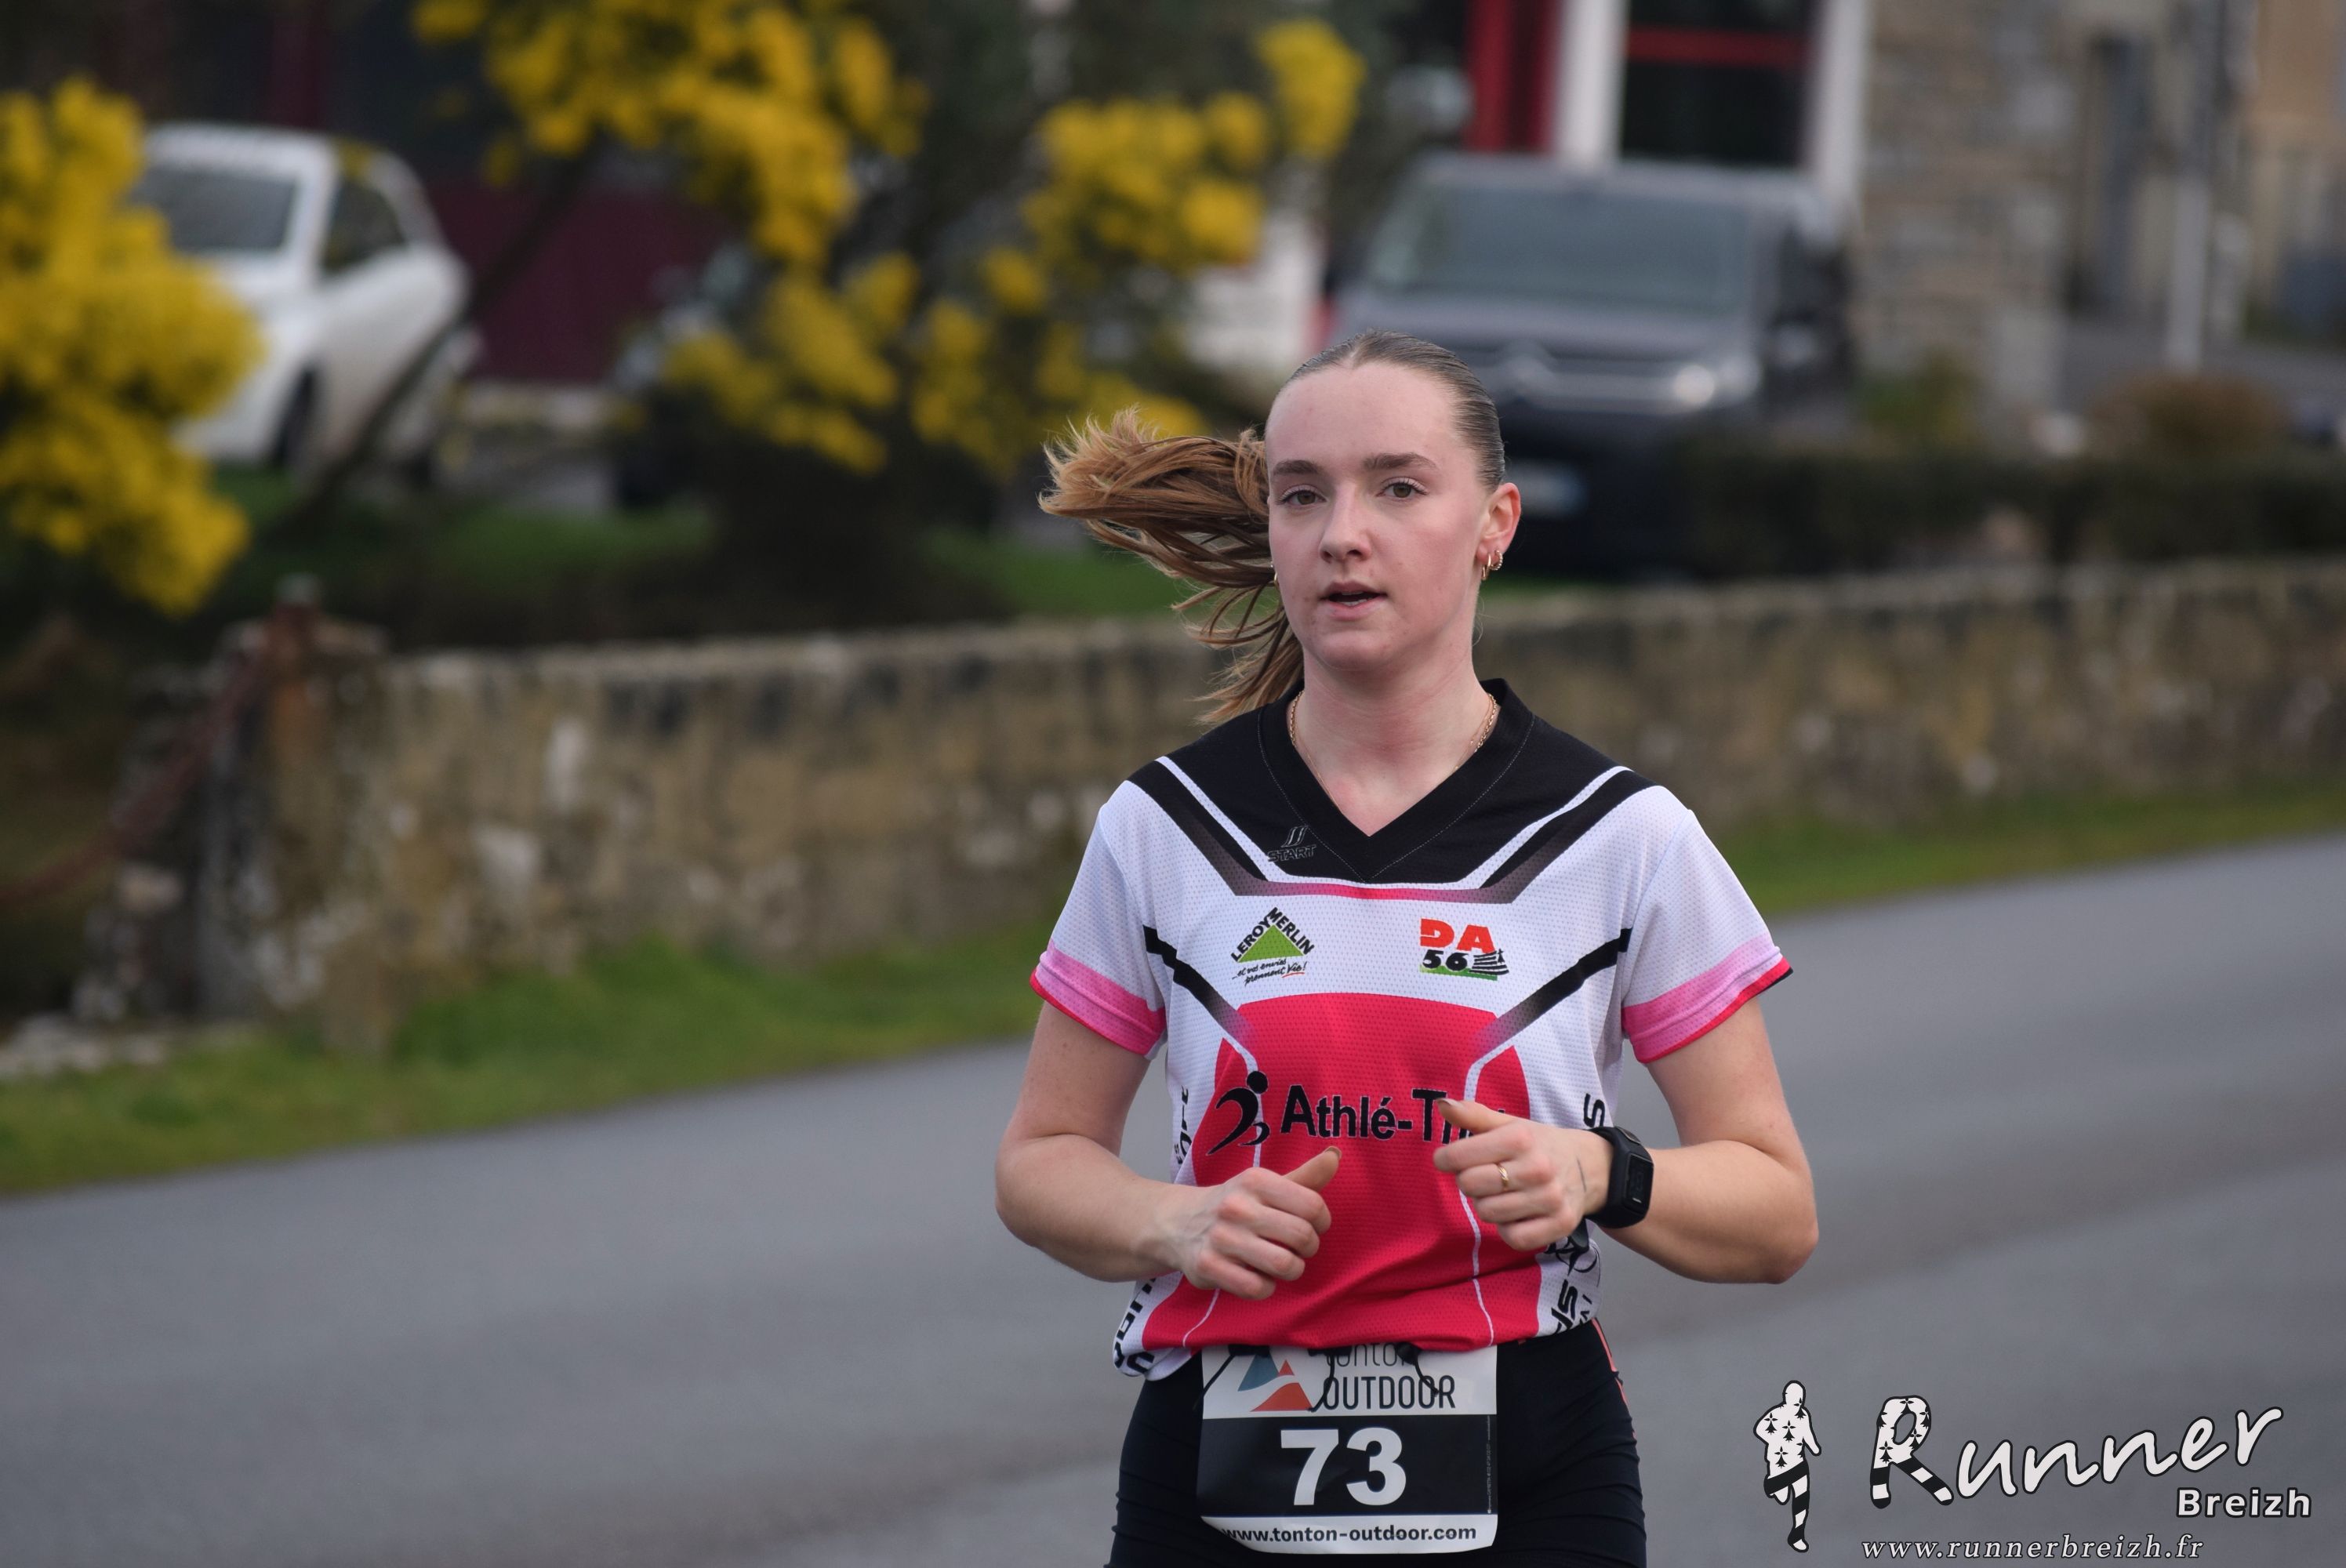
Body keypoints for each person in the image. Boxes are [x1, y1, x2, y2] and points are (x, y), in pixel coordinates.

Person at [994, 329, 1818, 1566]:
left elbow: (1778, 1211)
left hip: (1534, 1468)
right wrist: (1172, 1223)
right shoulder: (1165, 826)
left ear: (1494, 525)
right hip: (1214, 1463)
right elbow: (1040, 1160)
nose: (1343, 534)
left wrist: (1600, 1171)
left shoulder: (1619, 836)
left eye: (1397, 488)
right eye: (1302, 495)